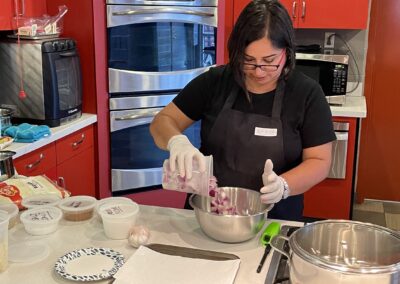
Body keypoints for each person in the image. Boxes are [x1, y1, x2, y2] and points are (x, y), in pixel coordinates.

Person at [150, 0, 336, 221]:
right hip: (209, 214)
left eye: (269, 61)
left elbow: (320, 161)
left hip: (273, 219)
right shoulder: (215, 82)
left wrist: (284, 185)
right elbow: (163, 121)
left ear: (286, 51)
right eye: (248, 61)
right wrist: (176, 142)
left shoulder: (307, 94)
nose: (258, 72)